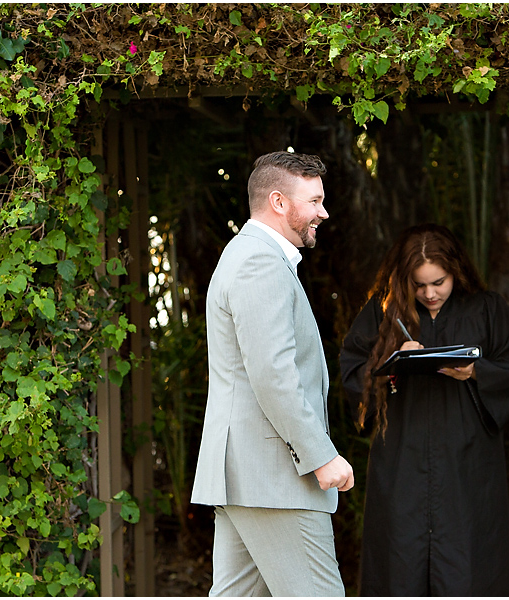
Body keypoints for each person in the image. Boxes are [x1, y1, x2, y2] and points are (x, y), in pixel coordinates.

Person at [191, 151, 354, 596]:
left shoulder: (250, 255)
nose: (324, 212)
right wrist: (320, 456)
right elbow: (273, 374)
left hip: (252, 475)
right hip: (275, 478)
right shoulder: (260, 262)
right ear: (279, 202)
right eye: (315, 200)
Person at [340, 223, 509, 596]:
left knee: (466, 565)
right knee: (400, 564)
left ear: (455, 273)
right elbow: (353, 370)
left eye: (438, 282)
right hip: (402, 462)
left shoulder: (486, 308)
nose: (429, 294)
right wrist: (391, 361)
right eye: (419, 284)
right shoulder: (383, 311)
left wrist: (477, 370)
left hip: (467, 465)